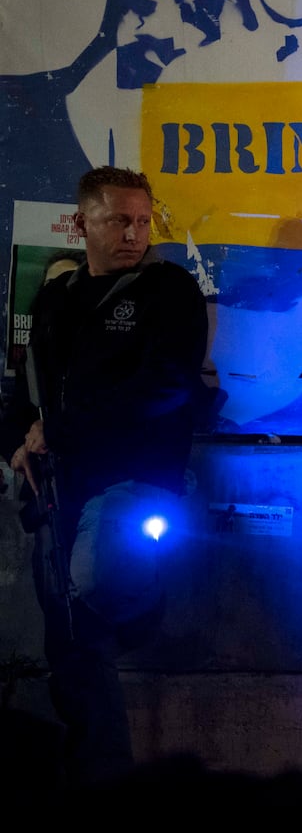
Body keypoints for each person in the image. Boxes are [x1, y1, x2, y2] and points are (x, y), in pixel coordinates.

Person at [1, 166, 209, 786]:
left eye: (144, 221)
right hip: (60, 488)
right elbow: (25, 393)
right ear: (81, 222)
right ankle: (104, 778)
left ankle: (145, 607)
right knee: (71, 646)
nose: (135, 233)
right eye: (120, 219)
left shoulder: (169, 290)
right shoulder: (55, 300)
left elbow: (166, 386)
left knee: (99, 582)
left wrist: (57, 431)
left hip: (134, 480)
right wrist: (18, 444)